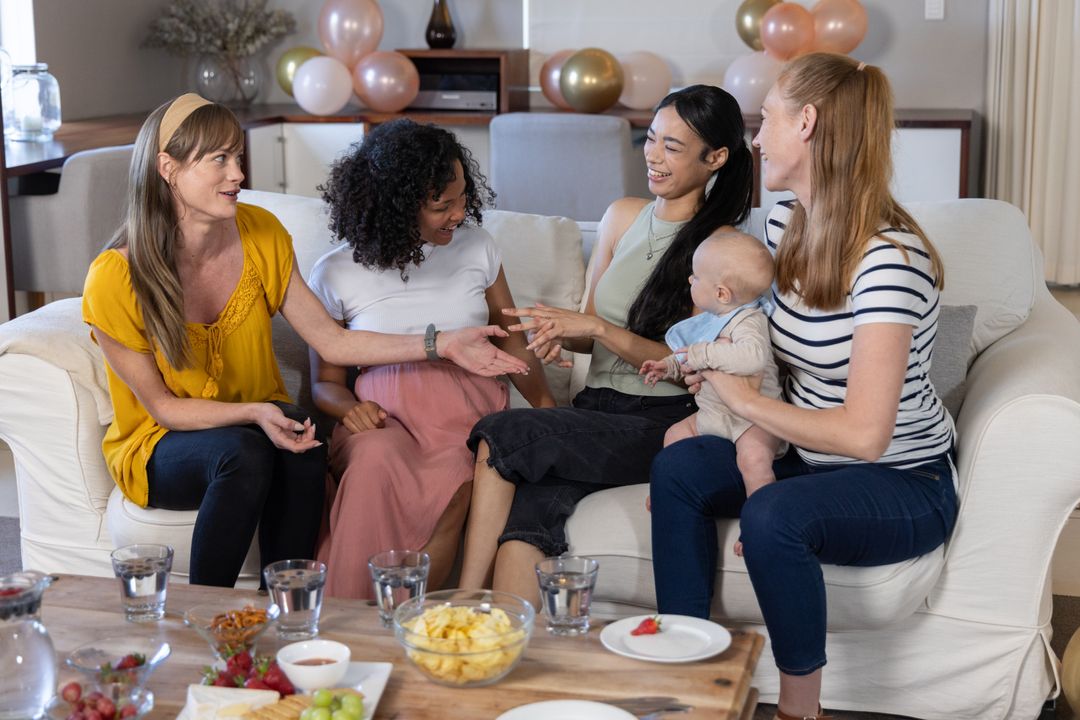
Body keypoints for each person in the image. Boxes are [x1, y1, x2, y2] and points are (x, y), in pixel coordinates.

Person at [81, 94, 528, 588]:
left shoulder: (262, 234)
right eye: (220, 160)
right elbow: (164, 409)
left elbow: (332, 343)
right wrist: (254, 412)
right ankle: (206, 613)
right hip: (163, 445)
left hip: (257, 424)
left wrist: (438, 344)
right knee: (245, 452)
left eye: (238, 157)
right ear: (168, 168)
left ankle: (289, 602)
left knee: (302, 435)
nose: (238, 175)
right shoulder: (115, 276)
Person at [649, 54, 958, 720]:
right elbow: (765, 345)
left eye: (769, 118)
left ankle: (798, 711)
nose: (757, 138)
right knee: (678, 467)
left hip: (903, 481)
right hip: (807, 454)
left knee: (772, 515)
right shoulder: (787, 222)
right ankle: (688, 680)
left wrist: (745, 403)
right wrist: (732, 395)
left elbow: (864, 435)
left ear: (808, 122)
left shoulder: (889, 261)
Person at [458, 84, 766, 605]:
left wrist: (595, 330)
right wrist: (561, 336)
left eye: (673, 146)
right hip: (594, 411)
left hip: (662, 420)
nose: (653, 155)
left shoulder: (721, 252)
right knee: (527, 522)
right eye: (651, 139)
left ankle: (461, 601)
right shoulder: (623, 215)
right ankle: (511, 657)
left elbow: (680, 364)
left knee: (503, 432)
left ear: (715, 158)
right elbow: (593, 333)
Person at [310, 119, 555, 599]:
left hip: (465, 414)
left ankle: (405, 619)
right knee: (375, 461)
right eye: (442, 205)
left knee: (452, 478)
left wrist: (548, 407)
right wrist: (346, 409)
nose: (459, 214)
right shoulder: (336, 271)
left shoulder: (479, 247)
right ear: (397, 207)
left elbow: (509, 337)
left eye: (464, 197)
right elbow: (326, 382)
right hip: (386, 420)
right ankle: (348, 613)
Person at [639, 230, 782, 501]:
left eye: (696, 277)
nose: (690, 280)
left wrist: (702, 354)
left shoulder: (749, 320)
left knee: (754, 461)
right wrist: (668, 366)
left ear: (721, 293)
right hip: (714, 415)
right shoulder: (712, 318)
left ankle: (757, 518)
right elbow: (692, 353)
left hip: (754, 421)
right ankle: (663, 488)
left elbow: (752, 357)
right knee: (675, 435)